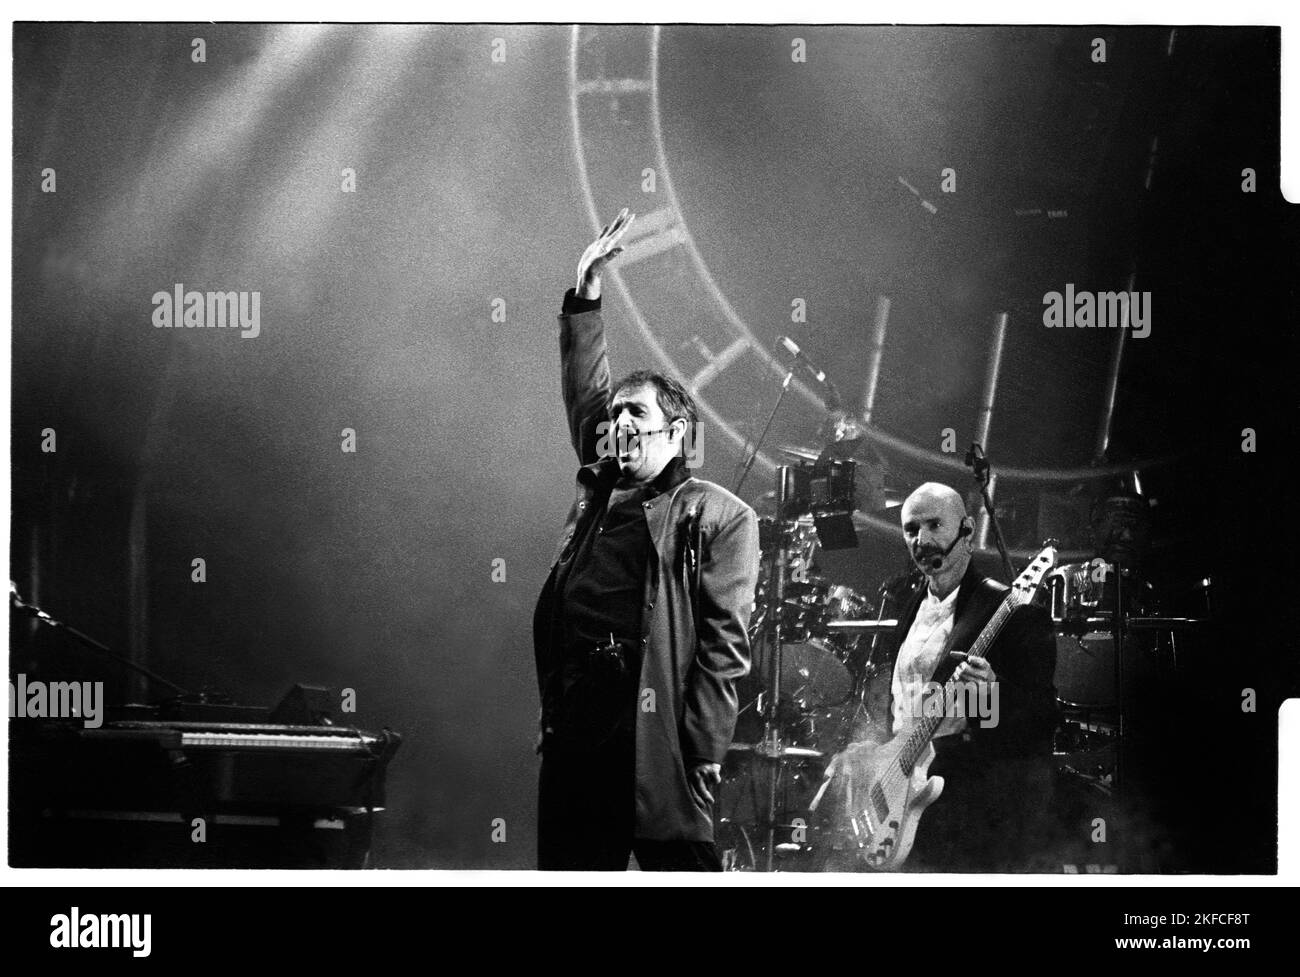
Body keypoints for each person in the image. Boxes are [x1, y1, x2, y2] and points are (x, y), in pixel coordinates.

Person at [532, 208, 761, 871]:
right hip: (578, 727)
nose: (619, 422)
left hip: (656, 737)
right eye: (616, 415)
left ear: (677, 430)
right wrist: (587, 287)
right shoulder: (601, 485)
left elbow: (725, 648)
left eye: (636, 412)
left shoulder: (720, 516)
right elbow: (585, 390)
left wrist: (705, 750)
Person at [824, 482, 1059, 872]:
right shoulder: (910, 605)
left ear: (967, 530)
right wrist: (871, 754)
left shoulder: (1014, 612)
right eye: (911, 529)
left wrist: (992, 697)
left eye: (935, 525)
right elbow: (904, 711)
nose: (922, 539)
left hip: (969, 807)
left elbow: (1043, 720)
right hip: (906, 794)